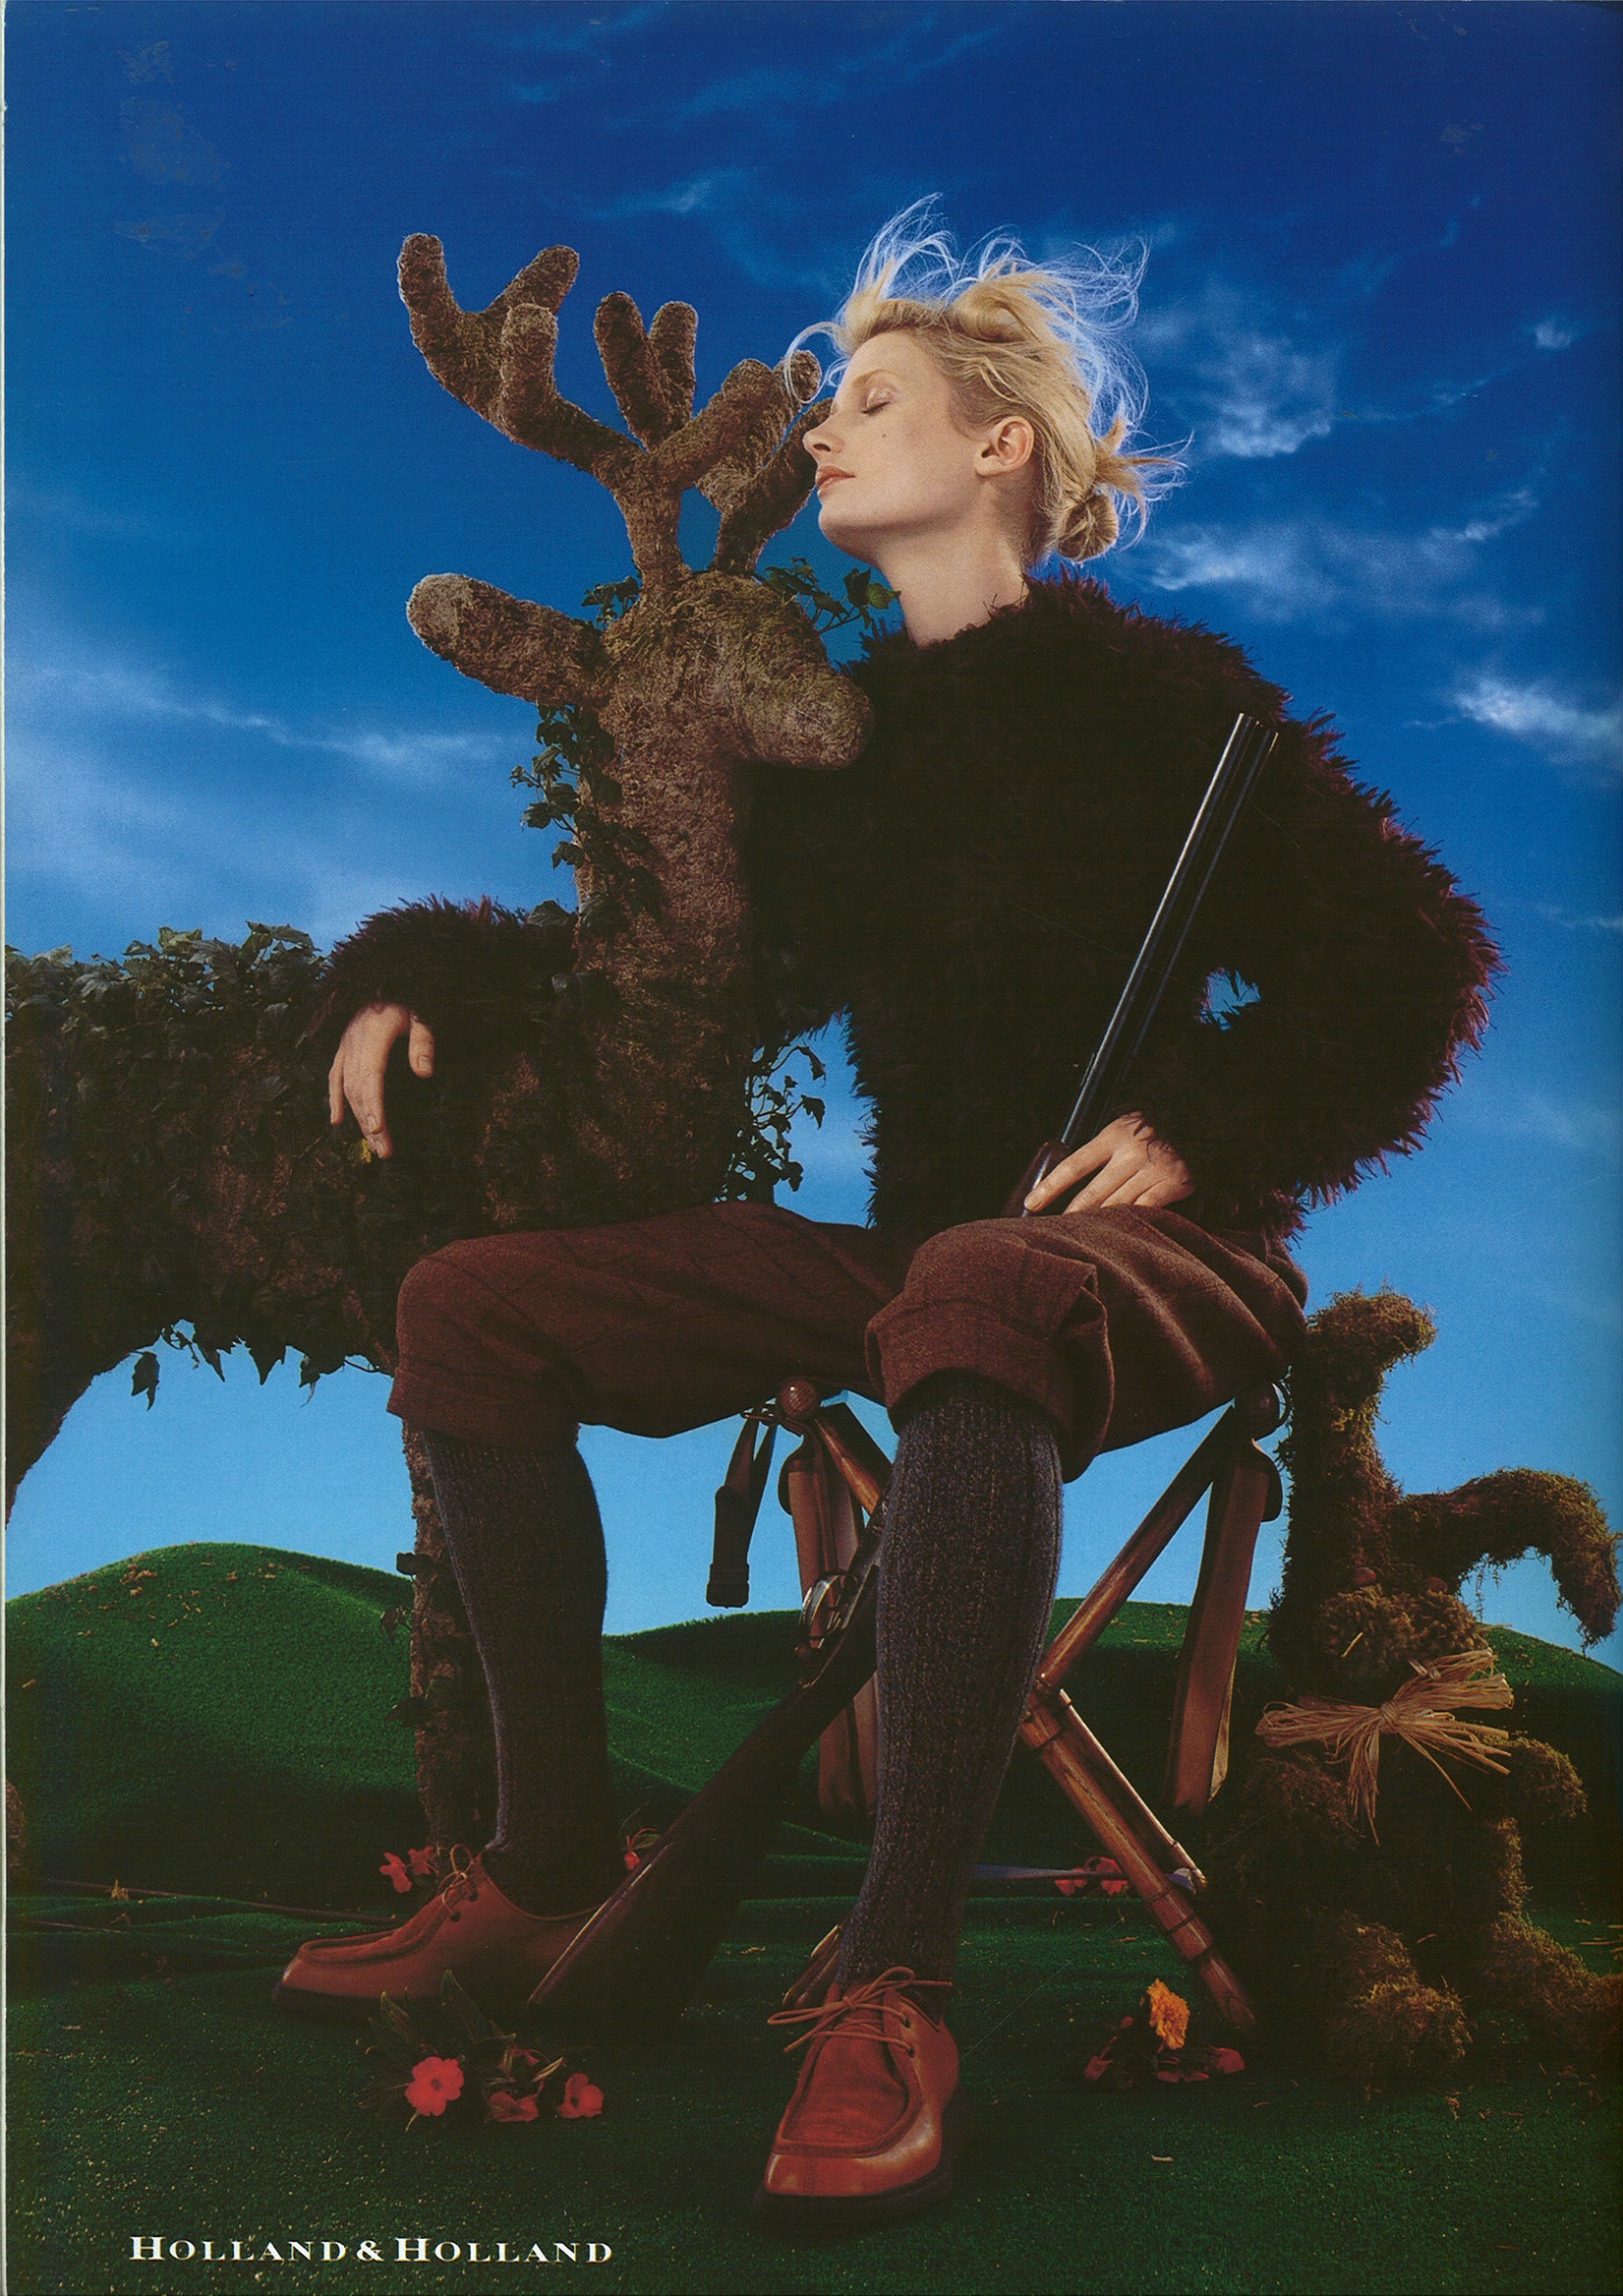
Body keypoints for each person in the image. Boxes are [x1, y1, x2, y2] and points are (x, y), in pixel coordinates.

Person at [276, 210, 1498, 2226]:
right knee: (473, 1302)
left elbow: (1414, 957)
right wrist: (413, 972)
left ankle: (892, 1979)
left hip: (1160, 1263)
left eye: (866, 400)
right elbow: (673, 958)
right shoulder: (851, 749)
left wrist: (1204, 1126)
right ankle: (547, 1869)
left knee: (984, 1284)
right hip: (926, 1266)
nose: (820, 432)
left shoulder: (1169, 705)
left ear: (1000, 445)